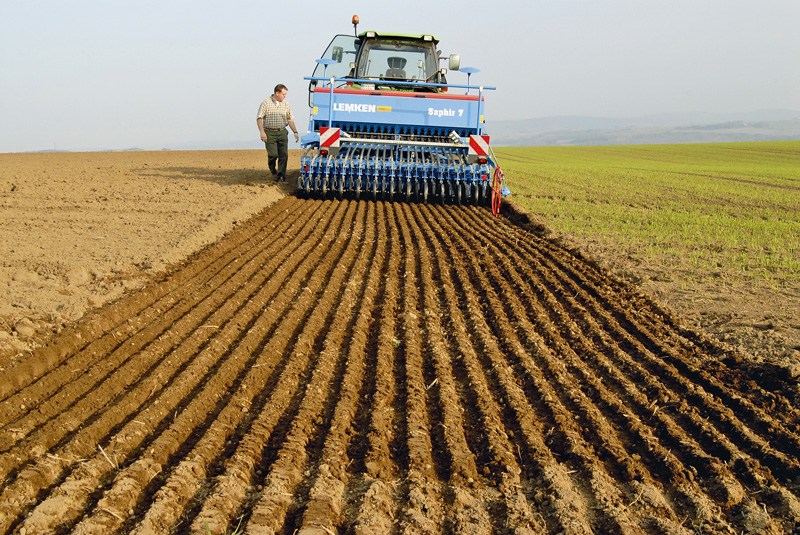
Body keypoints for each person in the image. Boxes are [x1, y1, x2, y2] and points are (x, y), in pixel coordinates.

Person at [256, 84, 299, 182]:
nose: (285, 96)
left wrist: (295, 132)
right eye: (283, 94)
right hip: (269, 133)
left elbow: (290, 119)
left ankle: (281, 175)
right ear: (277, 93)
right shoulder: (265, 103)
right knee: (273, 154)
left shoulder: (286, 104)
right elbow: (259, 118)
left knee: (284, 154)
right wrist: (262, 132)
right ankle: (273, 170)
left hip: (282, 132)